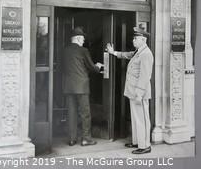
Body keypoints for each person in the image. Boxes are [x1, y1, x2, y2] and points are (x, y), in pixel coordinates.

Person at [106, 25, 154, 154]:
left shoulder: (146, 54)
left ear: (143, 40)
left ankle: (145, 146)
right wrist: (113, 52)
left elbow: (145, 76)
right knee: (136, 118)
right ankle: (137, 142)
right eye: (134, 38)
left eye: (135, 38)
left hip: (140, 93)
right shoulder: (139, 52)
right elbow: (127, 55)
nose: (133, 40)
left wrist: (138, 93)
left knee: (142, 118)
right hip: (133, 92)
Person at [63, 26, 103, 147]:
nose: (84, 41)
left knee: (71, 112)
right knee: (85, 113)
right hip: (82, 87)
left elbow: (62, 68)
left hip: (69, 86)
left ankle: (72, 139)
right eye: (83, 39)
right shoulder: (83, 51)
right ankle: (86, 139)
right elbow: (92, 67)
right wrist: (99, 66)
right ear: (79, 39)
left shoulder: (64, 50)